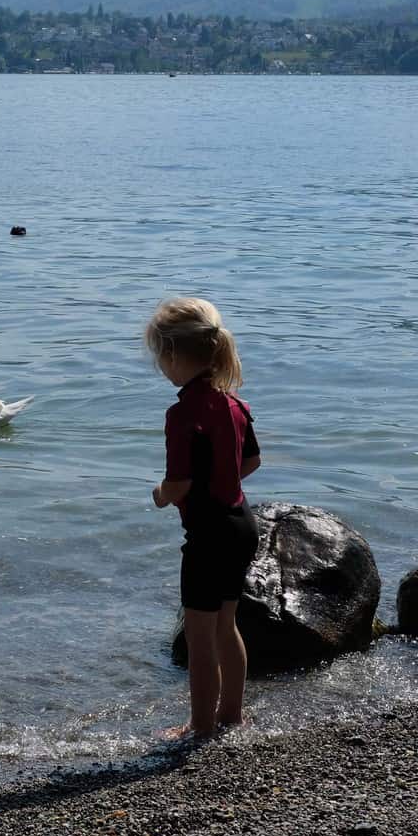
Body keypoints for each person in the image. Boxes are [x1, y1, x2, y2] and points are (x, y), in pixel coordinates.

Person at [144, 297, 261, 738]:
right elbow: (251, 462)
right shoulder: (235, 405)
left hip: (209, 534)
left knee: (198, 636)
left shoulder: (181, 414)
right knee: (227, 625)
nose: (160, 368)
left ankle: (200, 726)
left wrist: (159, 496)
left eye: (160, 358)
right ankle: (231, 713)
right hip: (240, 522)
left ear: (172, 355)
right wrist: (220, 474)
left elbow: (177, 485)